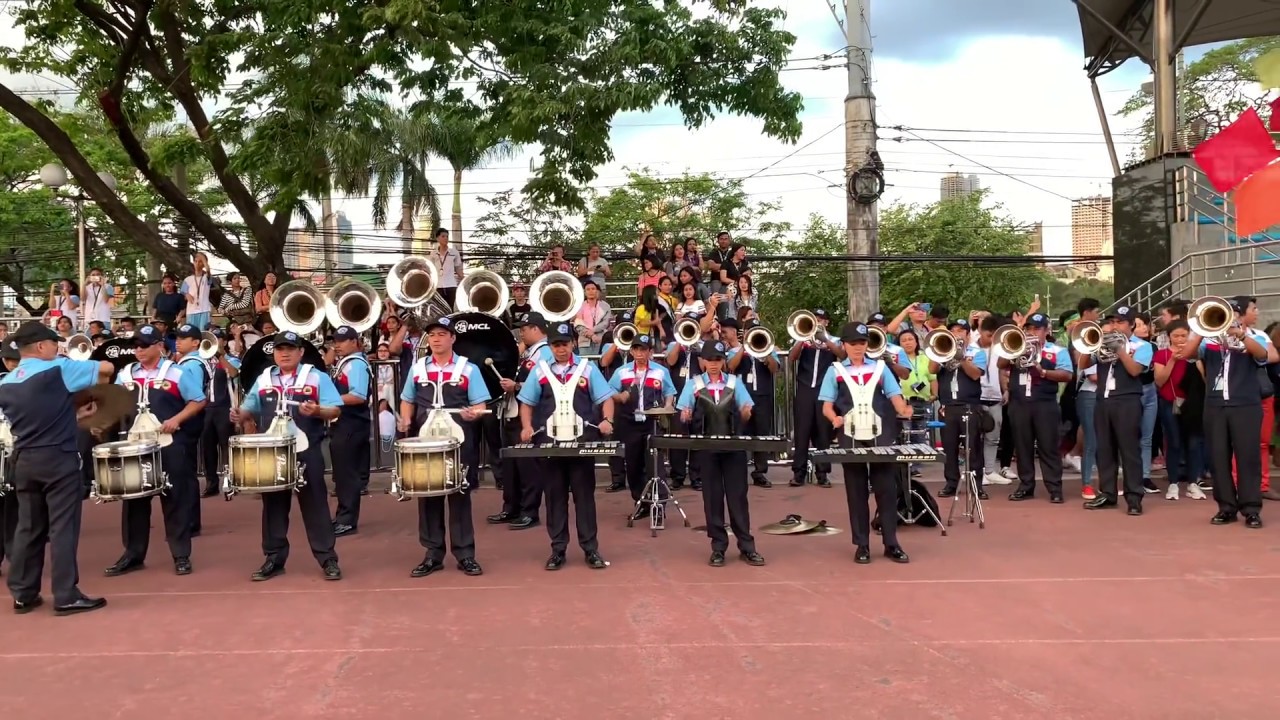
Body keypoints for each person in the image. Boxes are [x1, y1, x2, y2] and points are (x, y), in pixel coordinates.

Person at [0, 322, 115, 614]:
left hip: (24, 458)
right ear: (40, 346)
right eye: (53, 342)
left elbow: (37, 420)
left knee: (28, 526)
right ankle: (65, 594)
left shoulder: (7, 382)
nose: (57, 347)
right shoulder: (60, 369)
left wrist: (72, 415)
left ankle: (24, 592)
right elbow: (106, 369)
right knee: (63, 526)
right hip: (58, 458)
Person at [231, 331, 343, 581]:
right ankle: (274, 558)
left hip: (306, 450)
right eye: (280, 349)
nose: (284, 353)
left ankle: (328, 558)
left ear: (301, 352)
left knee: (315, 504)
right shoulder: (264, 378)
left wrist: (317, 410)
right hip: (273, 451)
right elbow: (250, 406)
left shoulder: (316, 377)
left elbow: (335, 410)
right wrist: (241, 414)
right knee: (273, 506)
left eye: (290, 349)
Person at [104, 324, 207, 577]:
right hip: (136, 446)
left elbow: (198, 400)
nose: (138, 350)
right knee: (134, 501)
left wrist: (178, 419)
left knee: (175, 499)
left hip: (170, 444)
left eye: (144, 345)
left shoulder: (177, 372)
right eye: (136, 346)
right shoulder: (126, 373)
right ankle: (133, 554)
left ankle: (181, 554)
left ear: (159, 346)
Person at [516, 322, 614, 570]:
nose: (561, 349)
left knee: (584, 498)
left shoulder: (587, 368)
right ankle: (558, 549)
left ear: (572, 344)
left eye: (565, 344)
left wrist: (607, 420)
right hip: (550, 444)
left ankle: (590, 549)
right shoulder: (539, 371)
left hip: (581, 443)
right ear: (550, 347)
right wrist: (526, 427)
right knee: (554, 498)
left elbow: (605, 398)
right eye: (556, 345)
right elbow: (526, 403)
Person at [397, 316, 490, 577]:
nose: (436, 339)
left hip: (459, 440)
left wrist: (474, 413)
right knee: (428, 496)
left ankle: (465, 554)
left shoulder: (468, 369)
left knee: (459, 495)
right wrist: (405, 418)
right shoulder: (417, 368)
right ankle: (432, 554)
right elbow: (407, 399)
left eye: (441, 334)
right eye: (432, 334)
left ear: (453, 338)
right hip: (426, 441)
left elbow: (481, 405)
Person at [819, 322, 914, 565]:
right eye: (853, 343)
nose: (858, 347)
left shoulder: (881, 368)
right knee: (856, 490)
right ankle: (862, 544)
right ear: (844, 345)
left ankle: (891, 542)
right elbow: (826, 405)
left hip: (881, 433)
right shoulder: (836, 370)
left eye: (862, 343)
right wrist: (834, 418)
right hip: (850, 434)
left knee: (886, 489)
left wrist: (904, 409)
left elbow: (895, 396)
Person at [1182, 296, 1272, 528]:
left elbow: (1262, 356)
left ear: (1240, 316)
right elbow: (1188, 354)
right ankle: (1226, 507)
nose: (1229, 315)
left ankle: (1251, 509)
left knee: (1247, 457)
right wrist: (1200, 329)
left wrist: (1239, 334)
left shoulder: (1257, 335)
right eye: (1226, 311)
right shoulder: (1208, 339)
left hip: (1246, 404)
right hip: (1214, 404)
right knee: (1218, 457)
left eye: (1233, 311)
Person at [678, 341, 765, 567]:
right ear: (703, 361)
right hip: (708, 449)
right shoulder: (694, 385)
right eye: (710, 360)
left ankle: (747, 546)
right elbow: (683, 413)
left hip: (733, 448)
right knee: (712, 499)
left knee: (738, 498)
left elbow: (747, 410)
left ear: (723, 360)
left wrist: (746, 413)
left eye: (718, 360)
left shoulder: (735, 383)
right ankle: (718, 547)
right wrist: (685, 416)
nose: (714, 364)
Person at [1081, 308, 1153, 515]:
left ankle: (1134, 497)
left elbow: (1135, 370)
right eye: (1112, 322)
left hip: (1127, 401)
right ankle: (1108, 494)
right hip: (1103, 400)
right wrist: (1088, 346)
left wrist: (1120, 350)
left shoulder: (1143, 346)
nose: (1114, 326)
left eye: (1120, 322)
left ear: (1131, 325)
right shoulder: (1102, 343)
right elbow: (1083, 365)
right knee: (1104, 450)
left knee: (1129, 451)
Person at [488, 311, 553, 529]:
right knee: (511, 463)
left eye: (524, 329)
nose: (521, 333)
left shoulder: (545, 354)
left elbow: (545, 385)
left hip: (529, 414)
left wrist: (515, 386)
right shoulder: (530, 352)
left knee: (527, 464)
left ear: (536, 328)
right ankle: (511, 507)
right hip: (513, 411)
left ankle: (529, 510)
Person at [1002, 314, 1073, 504]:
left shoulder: (1057, 350)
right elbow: (1001, 364)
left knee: (1049, 447)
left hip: (1045, 403)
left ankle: (1055, 488)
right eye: (1029, 328)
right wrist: (1013, 350)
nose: (1032, 332)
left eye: (1036, 329)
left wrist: (1044, 372)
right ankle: (1026, 486)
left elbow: (1067, 375)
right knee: (1022, 447)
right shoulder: (1017, 346)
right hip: (1019, 403)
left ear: (1046, 331)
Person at [608, 333, 677, 519]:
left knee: (655, 465)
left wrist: (668, 405)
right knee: (633, 465)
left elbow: (669, 392)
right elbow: (609, 391)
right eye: (636, 349)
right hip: (628, 423)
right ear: (631, 351)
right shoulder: (621, 372)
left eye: (643, 350)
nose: (639, 353)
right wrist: (619, 396)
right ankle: (641, 503)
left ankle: (659, 505)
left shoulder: (660, 371)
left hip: (651, 423)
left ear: (650, 352)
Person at [929, 320, 989, 499]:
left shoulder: (977, 352)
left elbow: (976, 374)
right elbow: (931, 369)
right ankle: (951, 483)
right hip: (948, 407)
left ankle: (976, 485)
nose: (957, 333)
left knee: (973, 447)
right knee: (949, 447)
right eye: (953, 330)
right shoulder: (943, 350)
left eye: (961, 330)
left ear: (968, 335)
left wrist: (961, 357)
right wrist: (940, 352)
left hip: (969, 405)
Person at [788, 308, 839, 487]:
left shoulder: (833, 340)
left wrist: (824, 340)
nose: (818, 322)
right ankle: (798, 473)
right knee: (802, 432)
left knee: (823, 433)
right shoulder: (803, 339)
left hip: (824, 391)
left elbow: (842, 355)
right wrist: (802, 339)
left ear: (827, 323)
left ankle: (822, 473)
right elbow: (791, 358)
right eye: (815, 319)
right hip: (804, 389)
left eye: (821, 319)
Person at [330, 326, 372, 537]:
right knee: (343, 473)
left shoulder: (355, 364)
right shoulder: (346, 363)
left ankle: (347, 519)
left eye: (343, 340)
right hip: (346, 423)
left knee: (348, 474)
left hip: (352, 424)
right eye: (336, 340)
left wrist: (328, 400)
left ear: (354, 341)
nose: (337, 344)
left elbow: (358, 396)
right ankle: (342, 516)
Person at [200, 329, 240, 497]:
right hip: (205, 409)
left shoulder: (231, 359)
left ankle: (230, 481)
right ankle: (211, 483)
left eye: (218, 339)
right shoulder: (199, 361)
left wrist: (221, 356)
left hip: (224, 408)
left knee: (226, 446)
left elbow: (234, 373)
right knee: (207, 447)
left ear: (223, 341)